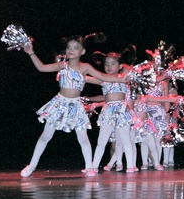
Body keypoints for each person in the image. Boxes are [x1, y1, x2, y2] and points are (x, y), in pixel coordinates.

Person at [20, 36, 127, 178]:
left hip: (75, 105)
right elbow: (42, 68)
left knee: (83, 138)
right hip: (59, 104)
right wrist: (31, 52)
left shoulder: (85, 67)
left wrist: (122, 79)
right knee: (45, 136)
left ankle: (89, 167)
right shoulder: (62, 65)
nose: (71, 50)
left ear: (82, 51)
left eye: (76, 48)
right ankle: (32, 166)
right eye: (69, 47)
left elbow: (104, 77)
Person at [87, 52, 138, 173]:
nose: (109, 67)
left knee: (126, 140)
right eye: (106, 64)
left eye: (113, 63)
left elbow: (129, 69)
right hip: (108, 110)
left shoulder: (124, 78)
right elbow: (86, 78)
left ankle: (130, 166)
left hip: (121, 109)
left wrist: (123, 65)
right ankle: (93, 167)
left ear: (120, 66)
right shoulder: (103, 80)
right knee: (101, 141)